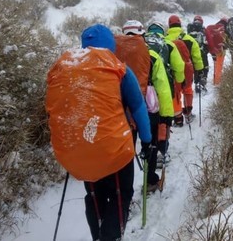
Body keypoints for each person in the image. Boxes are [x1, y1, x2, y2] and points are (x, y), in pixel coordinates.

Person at [77, 24, 152, 241]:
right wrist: (146, 141)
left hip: (84, 147)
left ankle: (99, 236)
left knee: (94, 196)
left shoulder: (72, 70)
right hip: (115, 148)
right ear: (111, 44)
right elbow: (138, 108)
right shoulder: (118, 69)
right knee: (121, 195)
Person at [119, 20, 174, 193]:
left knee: (125, 150)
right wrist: (166, 115)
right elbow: (163, 88)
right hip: (148, 109)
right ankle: (150, 180)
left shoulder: (112, 56)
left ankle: (122, 192)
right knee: (150, 144)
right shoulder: (152, 56)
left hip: (121, 112)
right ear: (142, 35)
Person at [145, 22, 185, 158]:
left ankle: (147, 145)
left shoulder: (140, 42)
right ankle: (161, 149)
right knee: (163, 117)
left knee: (147, 117)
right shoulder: (168, 44)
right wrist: (179, 80)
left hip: (142, 87)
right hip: (163, 85)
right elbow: (179, 66)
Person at [165, 15, 204, 126]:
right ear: (180, 25)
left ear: (169, 25)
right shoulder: (189, 39)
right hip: (187, 70)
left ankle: (178, 119)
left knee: (175, 93)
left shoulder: (165, 40)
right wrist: (199, 70)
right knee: (187, 89)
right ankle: (188, 113)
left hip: (172, 72)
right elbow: (197, 57)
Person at [187, 15, 209, 93]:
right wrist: (207, 50)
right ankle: (202, 82)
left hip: (192, 53)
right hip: (202, 52)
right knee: (204, 68)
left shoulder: (189, 29)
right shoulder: (203, 30)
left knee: (196, 69)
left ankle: (197, 84)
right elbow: (206, 42)